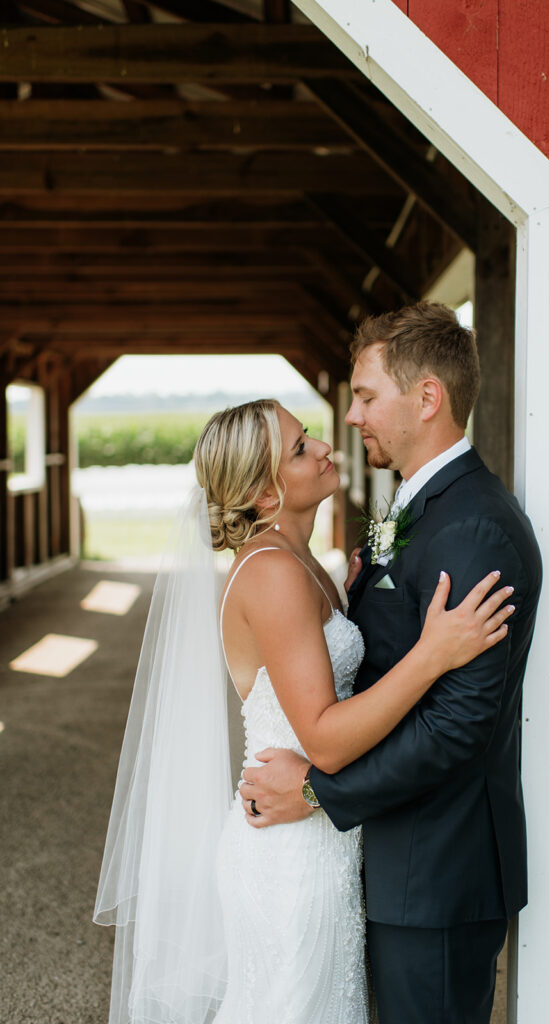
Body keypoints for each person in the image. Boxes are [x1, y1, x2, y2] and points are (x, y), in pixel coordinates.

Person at [93, 395, 514, 1024]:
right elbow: (324, 740)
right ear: (265, 495)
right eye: (299, 448)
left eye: (308, 434)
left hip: (320, 841)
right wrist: (433, 654)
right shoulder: (271, 574)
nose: (323, 446)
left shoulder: (303, 565)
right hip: (288, 855)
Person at [240, 302, 543, 1024]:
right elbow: (386, 634)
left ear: (428, 397)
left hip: (438, 871)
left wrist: (318, 793)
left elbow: (457, 728)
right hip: (394, 862)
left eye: (367, 396)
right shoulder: (406, 503)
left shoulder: (474, 529)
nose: (350, 417)